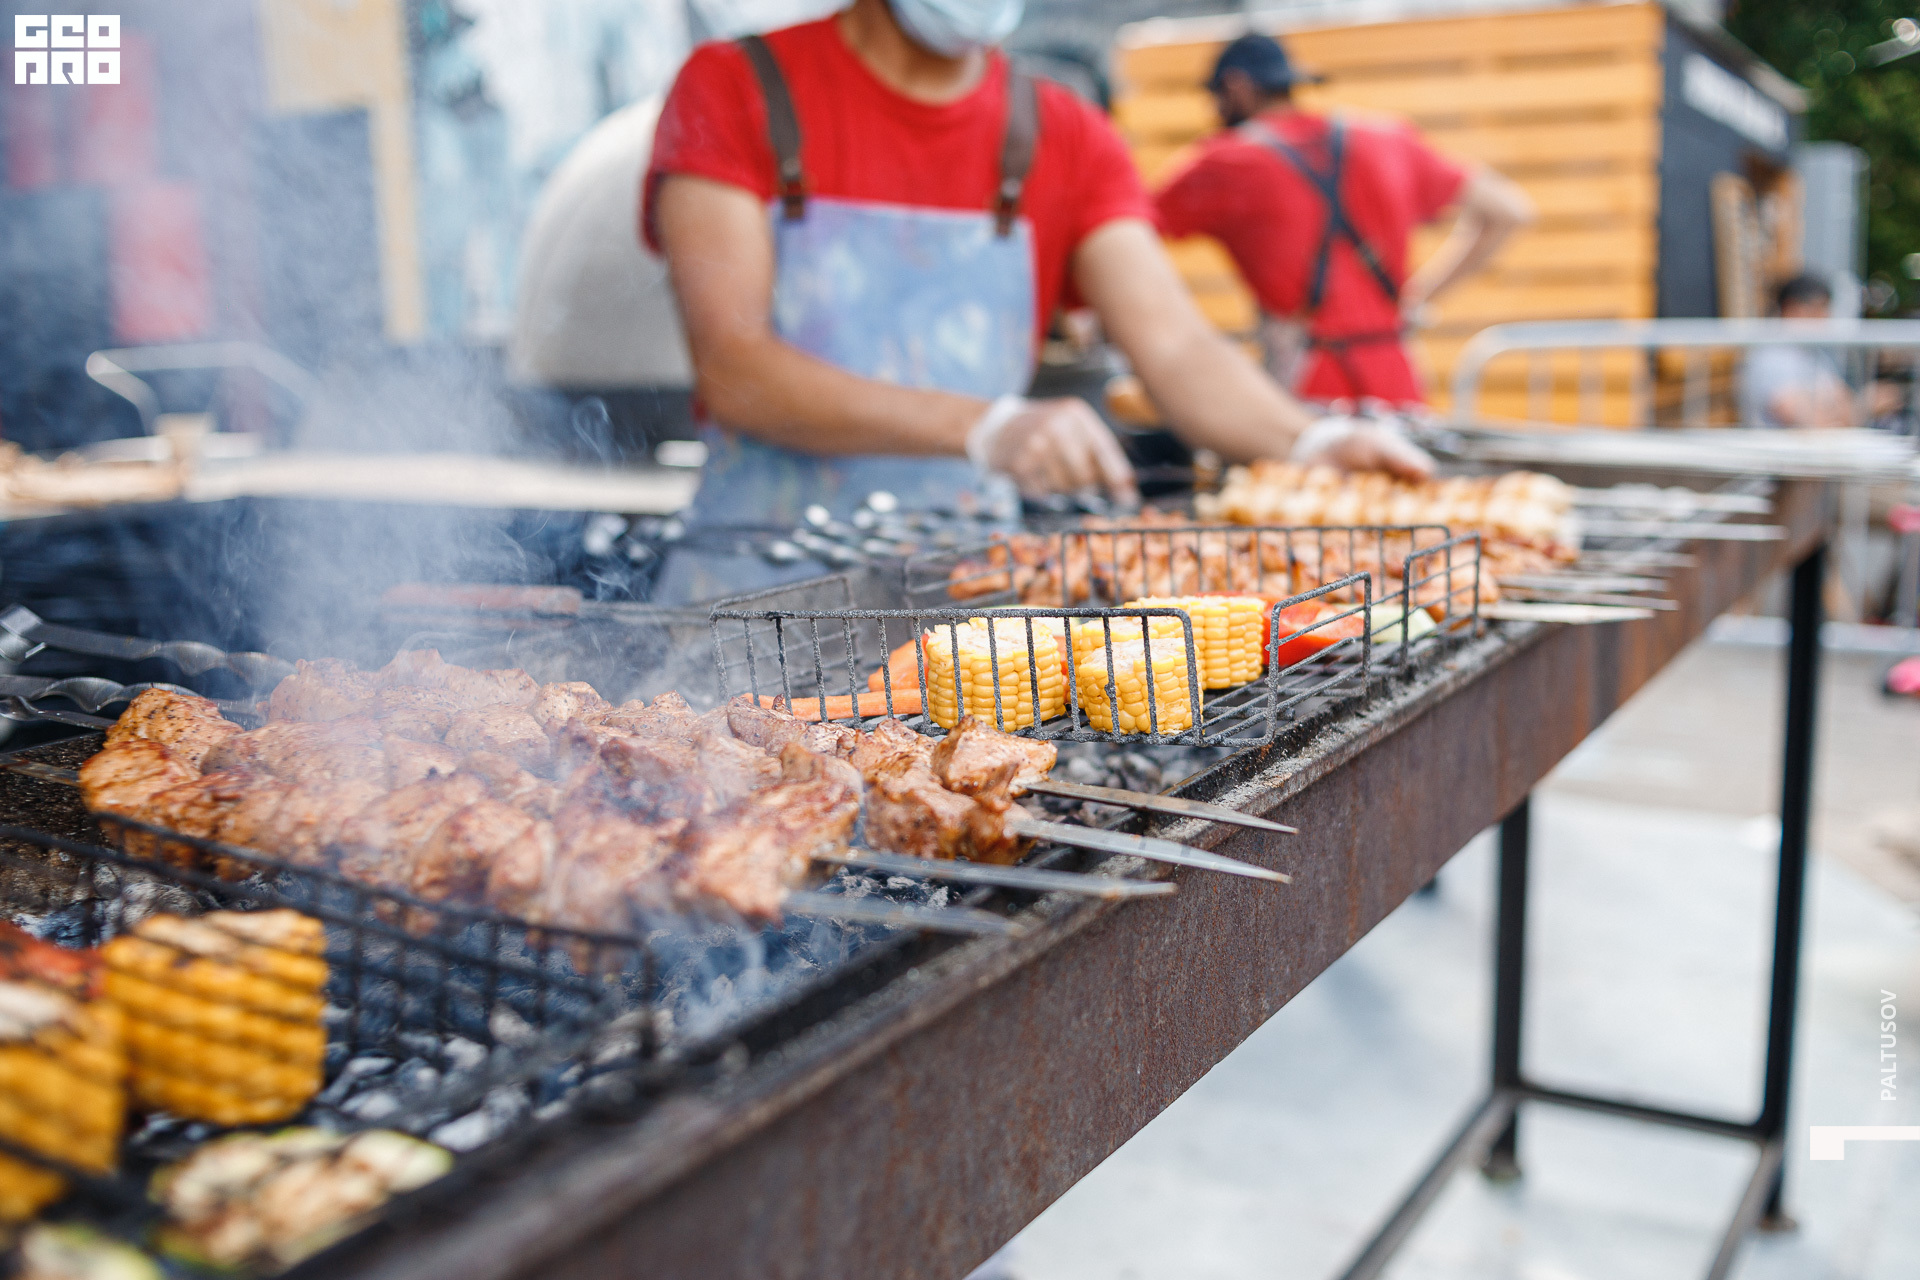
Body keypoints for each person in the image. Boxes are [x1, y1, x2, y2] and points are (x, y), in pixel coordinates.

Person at [643, 0, 1432, 601]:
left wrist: (1308, 440)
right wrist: (985, 427)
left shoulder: (1067, 134)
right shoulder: (735, 87)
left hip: (961, 594)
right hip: (749, 593)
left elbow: (1176, 347)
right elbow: (735, 368)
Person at [1152, 33, 1534, 408]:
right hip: (1397, 380)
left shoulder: (1225, 162)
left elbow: (1133, 232)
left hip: (1306, 385)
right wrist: (1417, 299)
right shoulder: (1386, 139)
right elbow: (1508, 210)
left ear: (1236, 87)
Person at [1740, 273, 1903, 428]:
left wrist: (1854, 409)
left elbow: (1844, 402)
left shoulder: (1811, 353)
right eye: (1819, 308)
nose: (1826, 317)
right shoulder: (1771, 358)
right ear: (1791, 308)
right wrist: (1864, 407)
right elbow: (1812, 423)